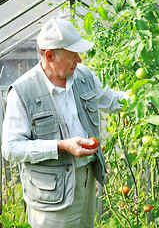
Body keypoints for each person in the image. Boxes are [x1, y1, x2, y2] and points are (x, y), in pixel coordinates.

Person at [2, 17, 130, 228]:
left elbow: (110, 98)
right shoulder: (23, 92)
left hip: (86, 181)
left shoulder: (82, 76)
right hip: (51, 196)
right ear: (49, 56)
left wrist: (147, 98)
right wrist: (60, 146)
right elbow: (11, 148)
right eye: (72, 56)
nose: (79, 60)